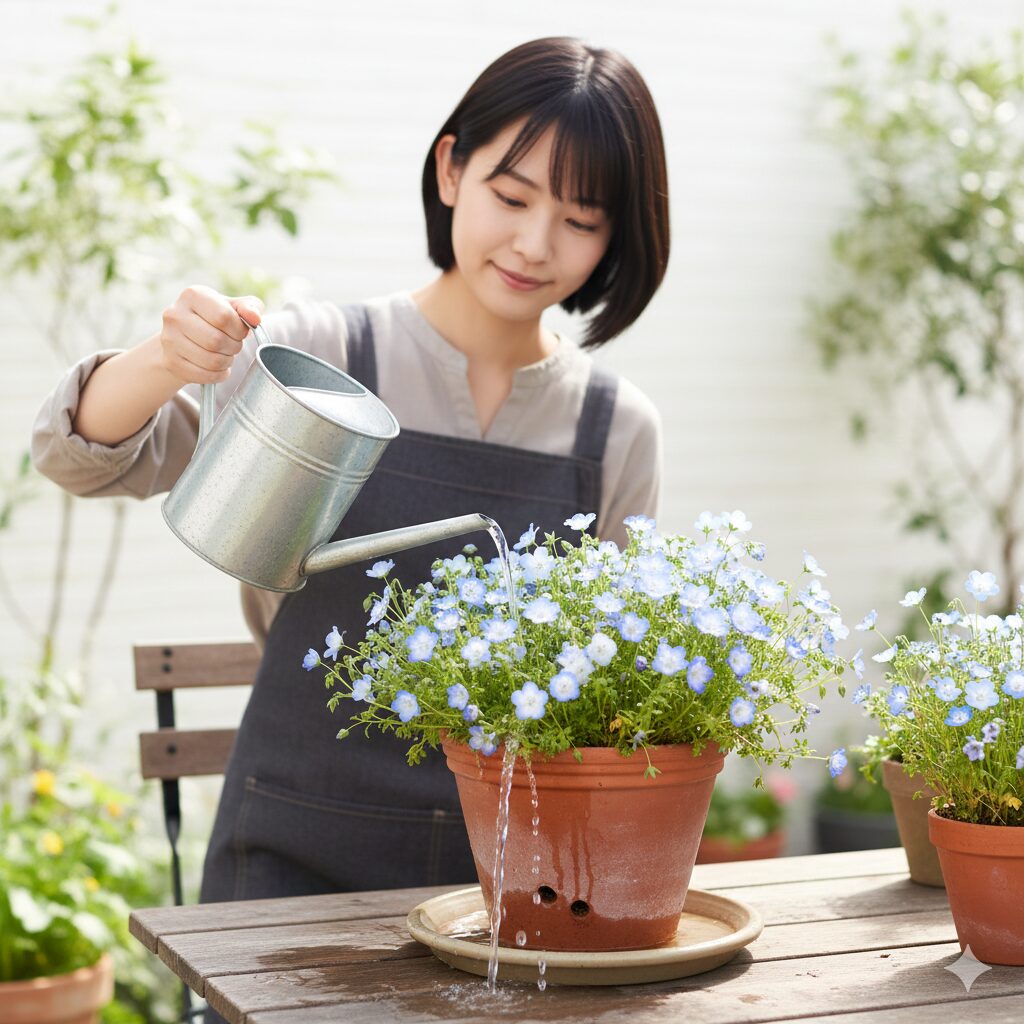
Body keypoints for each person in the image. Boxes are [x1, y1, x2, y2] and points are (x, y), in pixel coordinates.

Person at [32, 37, 669, 904]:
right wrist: (163, 359)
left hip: (504, 874)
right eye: (510, 196)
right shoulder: (323, 354)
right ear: (450, 169)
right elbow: (86, 460)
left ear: (615, 235)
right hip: (289, 844)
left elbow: (614, 690)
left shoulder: (615, 429)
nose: (534, 243)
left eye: (581, 221)